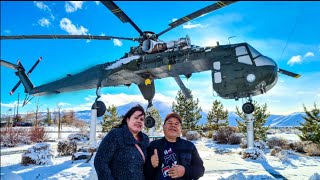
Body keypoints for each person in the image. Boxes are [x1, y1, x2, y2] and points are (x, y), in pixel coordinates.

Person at [94, 104, 150, 180]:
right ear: (127, 119)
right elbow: (100, 161)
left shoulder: (145, 139)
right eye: (136, 118)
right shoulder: (116, 135)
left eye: (141, 119)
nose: (139, 121)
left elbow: (146, 165)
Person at [145, 112, 205, 180]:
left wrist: (185, 171)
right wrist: (151, 165)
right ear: (163, 127)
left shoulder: (190, 146)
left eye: (176, 124)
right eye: (170, 123)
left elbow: (200, 170)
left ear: (180, 129)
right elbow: (145, 173)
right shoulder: (154, 145)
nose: (173, 125)